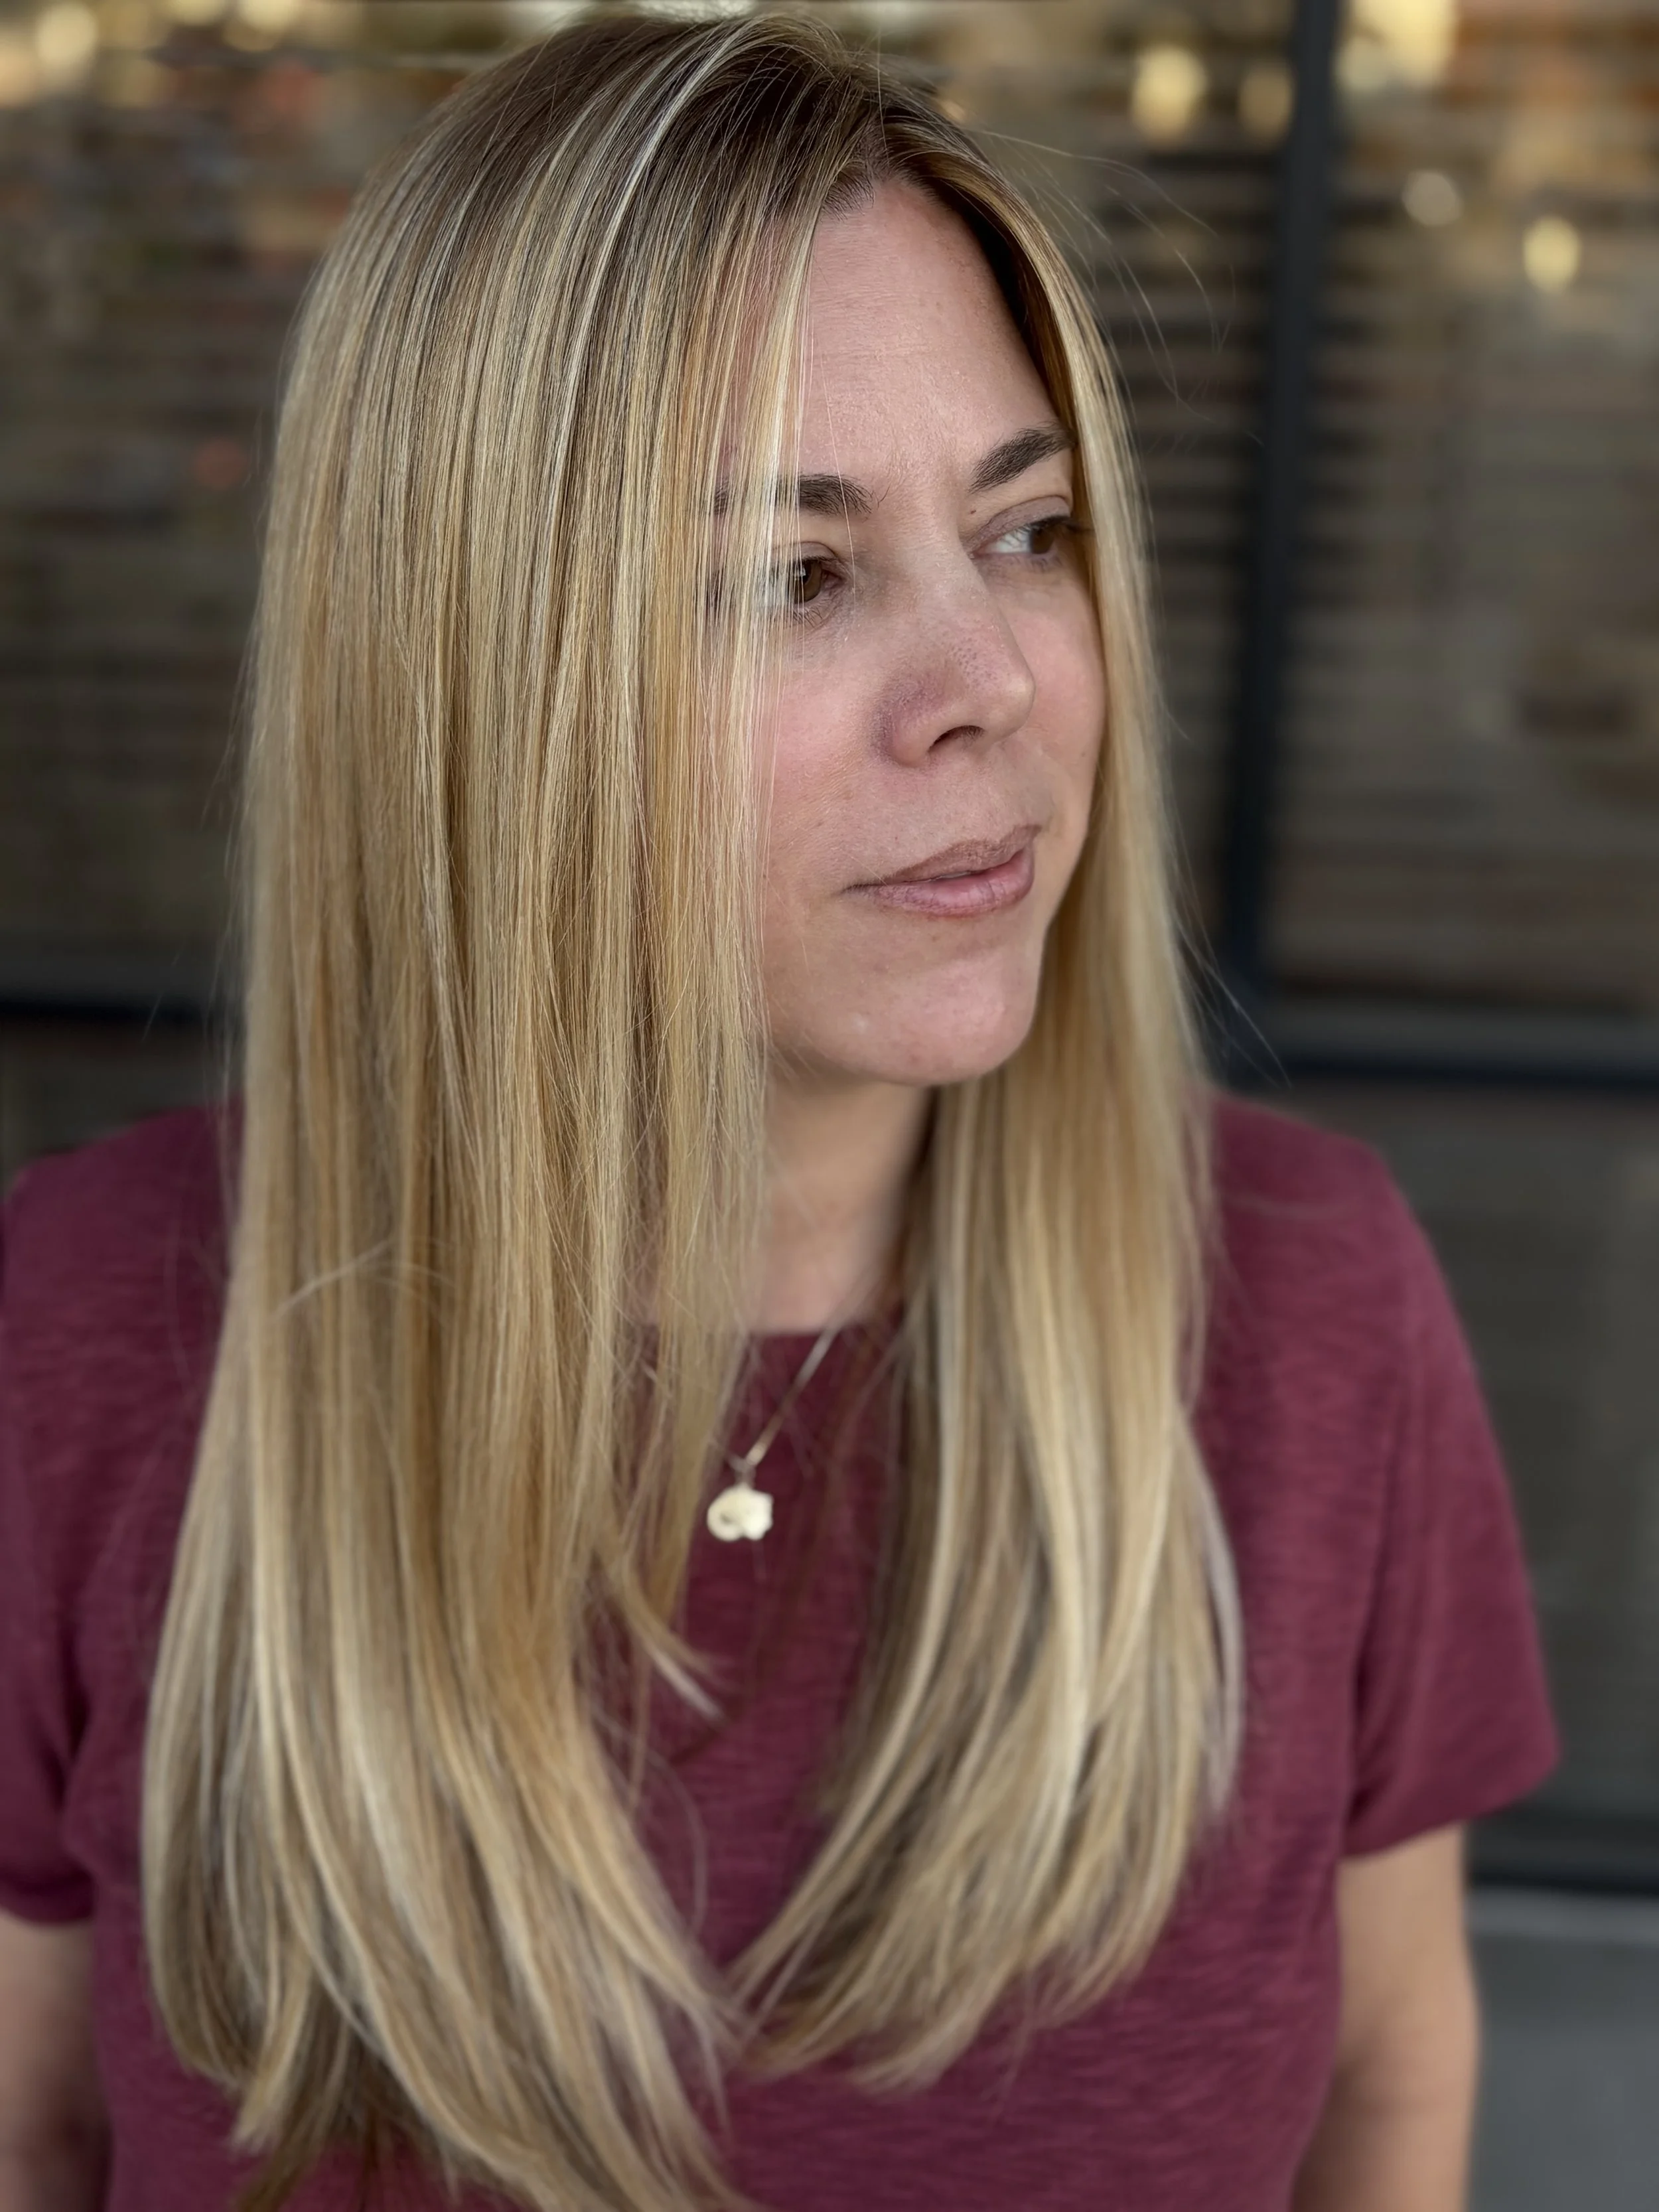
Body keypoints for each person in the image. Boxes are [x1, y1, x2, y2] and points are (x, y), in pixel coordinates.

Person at [0, 10, 1557, 2212]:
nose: (990, 683)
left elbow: (1391, 2083)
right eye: (794, 573)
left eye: (1027, 530)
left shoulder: (1310, 1308)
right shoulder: (81, 1329)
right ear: (477, 683)